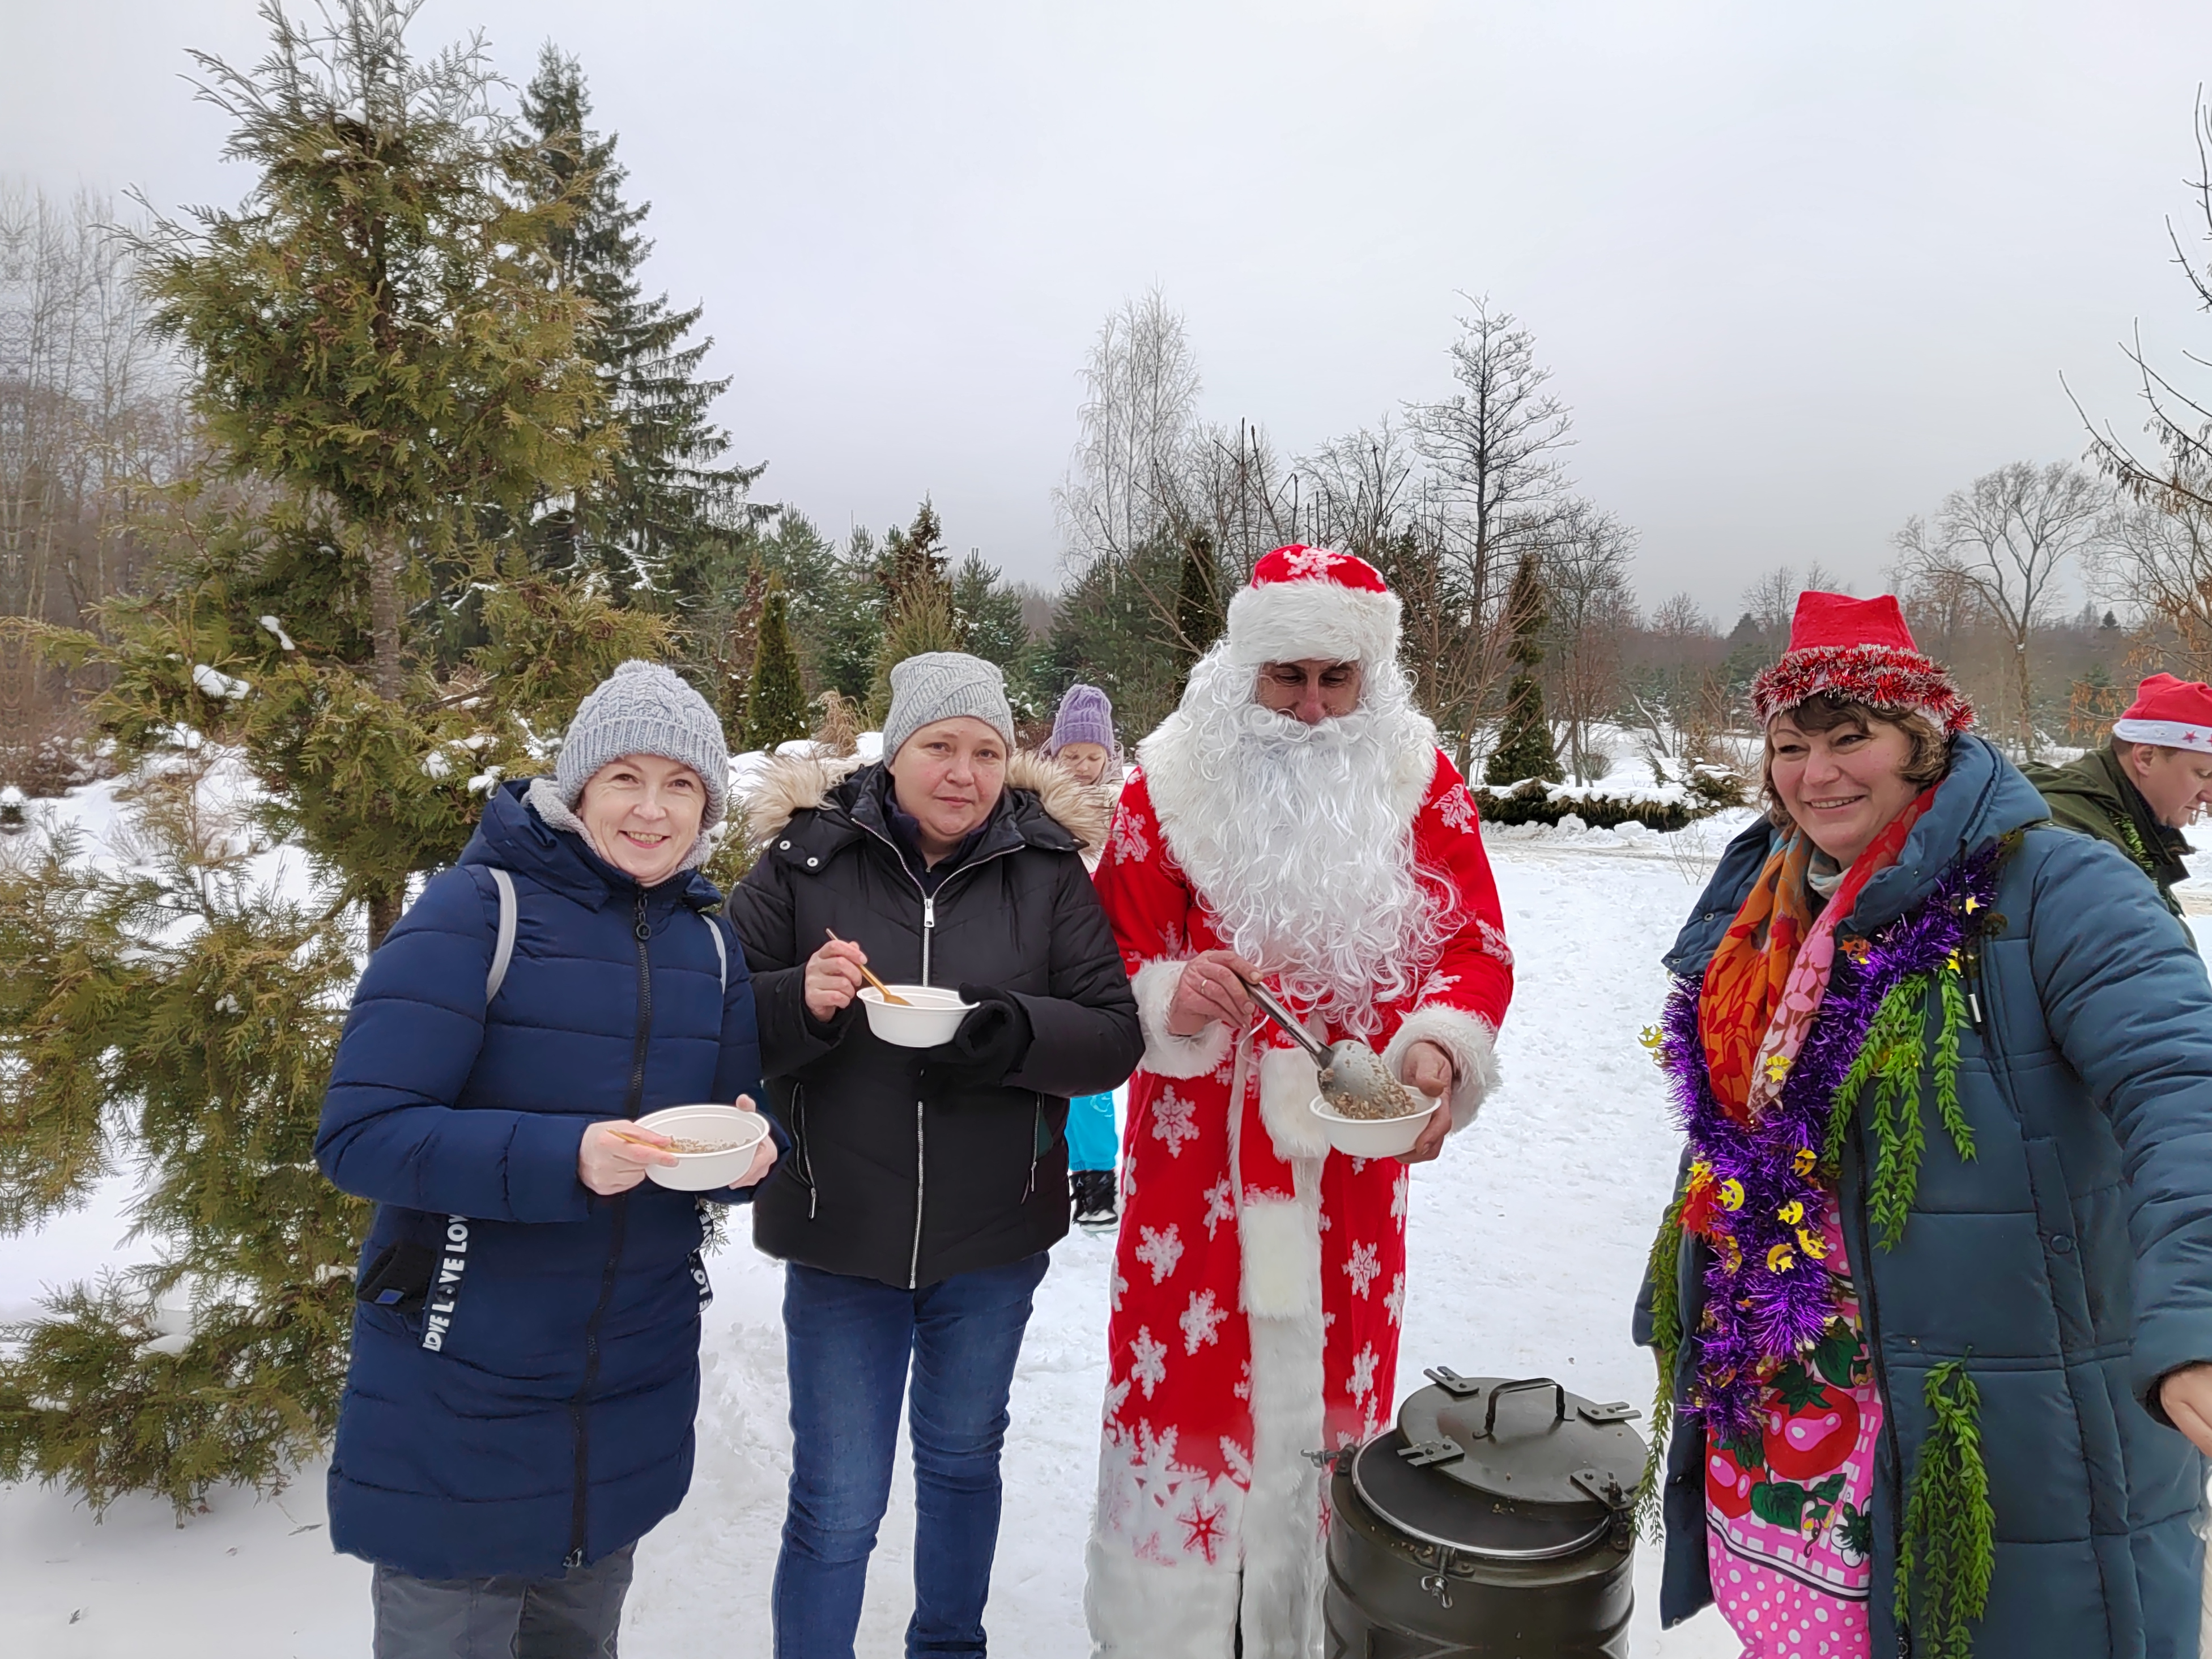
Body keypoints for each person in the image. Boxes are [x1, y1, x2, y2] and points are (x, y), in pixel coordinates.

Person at [1639, 593, 2212, 1659]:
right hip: (1788, 1412)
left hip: (1987, 1417)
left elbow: (2182, 1083)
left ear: (1921, 739)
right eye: (1788, 744)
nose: (1816, 773)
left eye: (1850, 736)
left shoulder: (2055, 886)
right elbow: (1736, 1130)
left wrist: (2195, 1315)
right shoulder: (1763, 900)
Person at [1082, 546, 1515, 1658]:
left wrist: (1432, 1055)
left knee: (1331, 1394)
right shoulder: (1160, 787)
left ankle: (1317, 1619)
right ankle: (1178, 1628)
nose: (1314, 707)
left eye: (1337, 678)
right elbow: (1101, 956)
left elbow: (1471, 945)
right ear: (1244, 668)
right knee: (1192, 1389)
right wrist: (1168, 991)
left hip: (1346, 1164)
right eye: (1287, 678)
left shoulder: (1421, 781)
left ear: (1372, 678)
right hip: (1198, 1172)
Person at [317, 660, 777, 1659]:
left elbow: (735, 1110)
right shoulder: (477, 911)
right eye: (625, 777)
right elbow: (360, 1133)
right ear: (576, 786)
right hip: (461, 1380)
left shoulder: (710, 944)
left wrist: (752, 1148)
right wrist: (562, 1155)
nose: (652, 811)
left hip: (623, 1386)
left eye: (682, 784)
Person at [726, 650, 1143, 1659]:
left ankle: (947, 1645)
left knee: (961, 1462)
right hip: (839, 1231)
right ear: (894, 748)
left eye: (986, 751)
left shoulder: (1044, 873)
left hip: (991, 1235)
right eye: (939, 746)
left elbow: (1113, 1031)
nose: (962, 772)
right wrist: (800, 999)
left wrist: (1012, 1031)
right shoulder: (804, 858)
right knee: (835, 1498)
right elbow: (716, 1013)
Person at [2023, 671, 2212, 917]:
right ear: (2146, 758)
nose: (2209, 795)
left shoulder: (2132, 823)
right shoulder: (2076, 842)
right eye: (2203, 773)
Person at [1044, 681, 1125, 1229]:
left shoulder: (1126, 810)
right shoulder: (1040, 803)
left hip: (1101, 951)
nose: (1082, 766)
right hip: (1045, 948)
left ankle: (1096, 1180)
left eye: (1092, 756)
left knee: (1090, 1076)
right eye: (1071, 755)